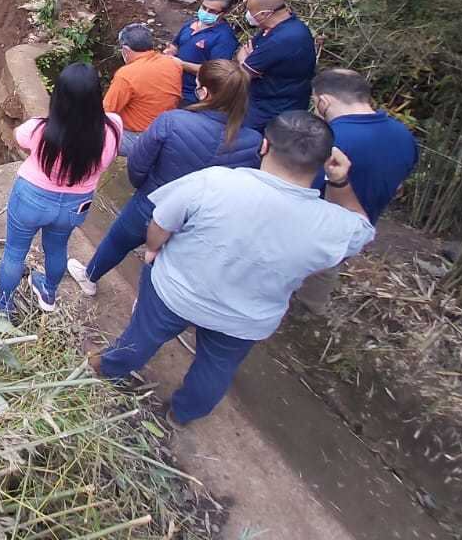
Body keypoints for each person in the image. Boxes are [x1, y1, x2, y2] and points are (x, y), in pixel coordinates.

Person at [91, 111, 373, 426]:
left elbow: (161, 221)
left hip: (178, 290)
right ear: (324, 163)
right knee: (215, 370)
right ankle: (180, 414)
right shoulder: (329, 223)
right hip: (245, 318)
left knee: (140, 337)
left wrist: (154, 249)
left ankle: (109, 368)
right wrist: (340, 182)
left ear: (264, 146)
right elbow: (361, 227)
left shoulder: (215, 181)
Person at [68, 59, 262, 296]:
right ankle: (145, 304)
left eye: (198, 84)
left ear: (205, 92)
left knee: (118, 241)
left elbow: (138, 163)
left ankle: (90, 278)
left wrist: (145, 190)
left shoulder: (172, 121)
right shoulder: (252, 142)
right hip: (197, 221)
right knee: (165, 261)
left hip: (153, 202)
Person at [0, 62, 122, 317]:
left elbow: (19, 136)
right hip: (75, 204)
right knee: (57, 248)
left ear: (59, 96)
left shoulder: (41, 129)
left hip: (31, 199)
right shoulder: (112, 127)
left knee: (15, 252)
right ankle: (48, 292)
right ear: (97, 94)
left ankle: (3, 306)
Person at [295, 68, 420, 314]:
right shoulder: (404, 136)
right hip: (356, 230)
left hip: (312, 228)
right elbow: (397, 186)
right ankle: (310, 308)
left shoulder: (328, 138)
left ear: (323, 101)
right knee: (325, 271)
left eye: (314, 102)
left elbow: (300, 186)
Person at [237, 0, 316, 132]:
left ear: (265, 14)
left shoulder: (282, 39)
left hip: (272, 108)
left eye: (250, 11)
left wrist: (246, 60)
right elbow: (245, 48)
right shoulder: (281, 26)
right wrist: (247, 58)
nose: (248, 15)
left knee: (250, 140)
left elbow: (244, 73)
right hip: (265, 100)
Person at [103, 23, 182, 157]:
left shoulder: (126, 75)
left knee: (86, 131)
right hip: (167, 130)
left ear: (126, 50)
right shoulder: (173, 64)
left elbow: (106, 112)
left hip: (139, 138)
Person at [164, 0, 240, 106]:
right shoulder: (191, 23)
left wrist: (182, 64)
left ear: (224, 13)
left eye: (212, 11)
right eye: (204, 7)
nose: (205, 12)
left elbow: (215, 71)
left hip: (191, 93)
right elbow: (176, 44)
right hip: (172, 82)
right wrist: (170, 51)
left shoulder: (225, 39)